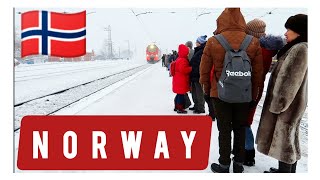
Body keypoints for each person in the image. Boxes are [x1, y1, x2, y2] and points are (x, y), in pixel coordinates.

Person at [199, 8, 264, 173]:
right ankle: (239, 164)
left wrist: (206, 91)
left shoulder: (213, 41)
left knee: (224, 130)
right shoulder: (253, 42)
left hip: (219, 94)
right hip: (244, 95)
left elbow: (204, 71)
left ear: (221, 21)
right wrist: (254, 95)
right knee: (240, 128)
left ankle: (224, 164)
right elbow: (258, 74)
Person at [255, 14, 307, 173]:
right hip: (292, 105)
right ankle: (286, 171)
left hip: (286, 106)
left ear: (299, 31)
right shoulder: (299, 47)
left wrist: (278, 105)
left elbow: (289, 80)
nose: (285, 33)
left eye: (289, 30)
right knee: (289, 140)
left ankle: (285, 173)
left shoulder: (299, 49)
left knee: (284, 143)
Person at [243, 18, 284, 166]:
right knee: (245, 121)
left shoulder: (258, 50)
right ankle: (245, 151)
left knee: (244, 122)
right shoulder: (267, 49)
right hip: (256, 89)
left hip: (250, 90)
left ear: (252, 33)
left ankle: (248, 154)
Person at [189, 35, 207, 114]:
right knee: (195, 92)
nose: (195, 43)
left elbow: (200, 64)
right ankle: (196, 105)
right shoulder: (198, 50)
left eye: (197, 42)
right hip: (194, 75)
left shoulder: (202, 51)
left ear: (199, 43)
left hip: (198, 75)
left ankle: (200, 108)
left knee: (199, 92)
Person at [172, 44, 192, 114]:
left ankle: (176, 106)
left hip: (177, 79)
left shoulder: (178, 59)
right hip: (181, 80)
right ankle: (180, 108)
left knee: (178, 94)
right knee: (180, 94)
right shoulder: (183, 60)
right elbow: (183, 70)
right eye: (187, 52)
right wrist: (190, 68)